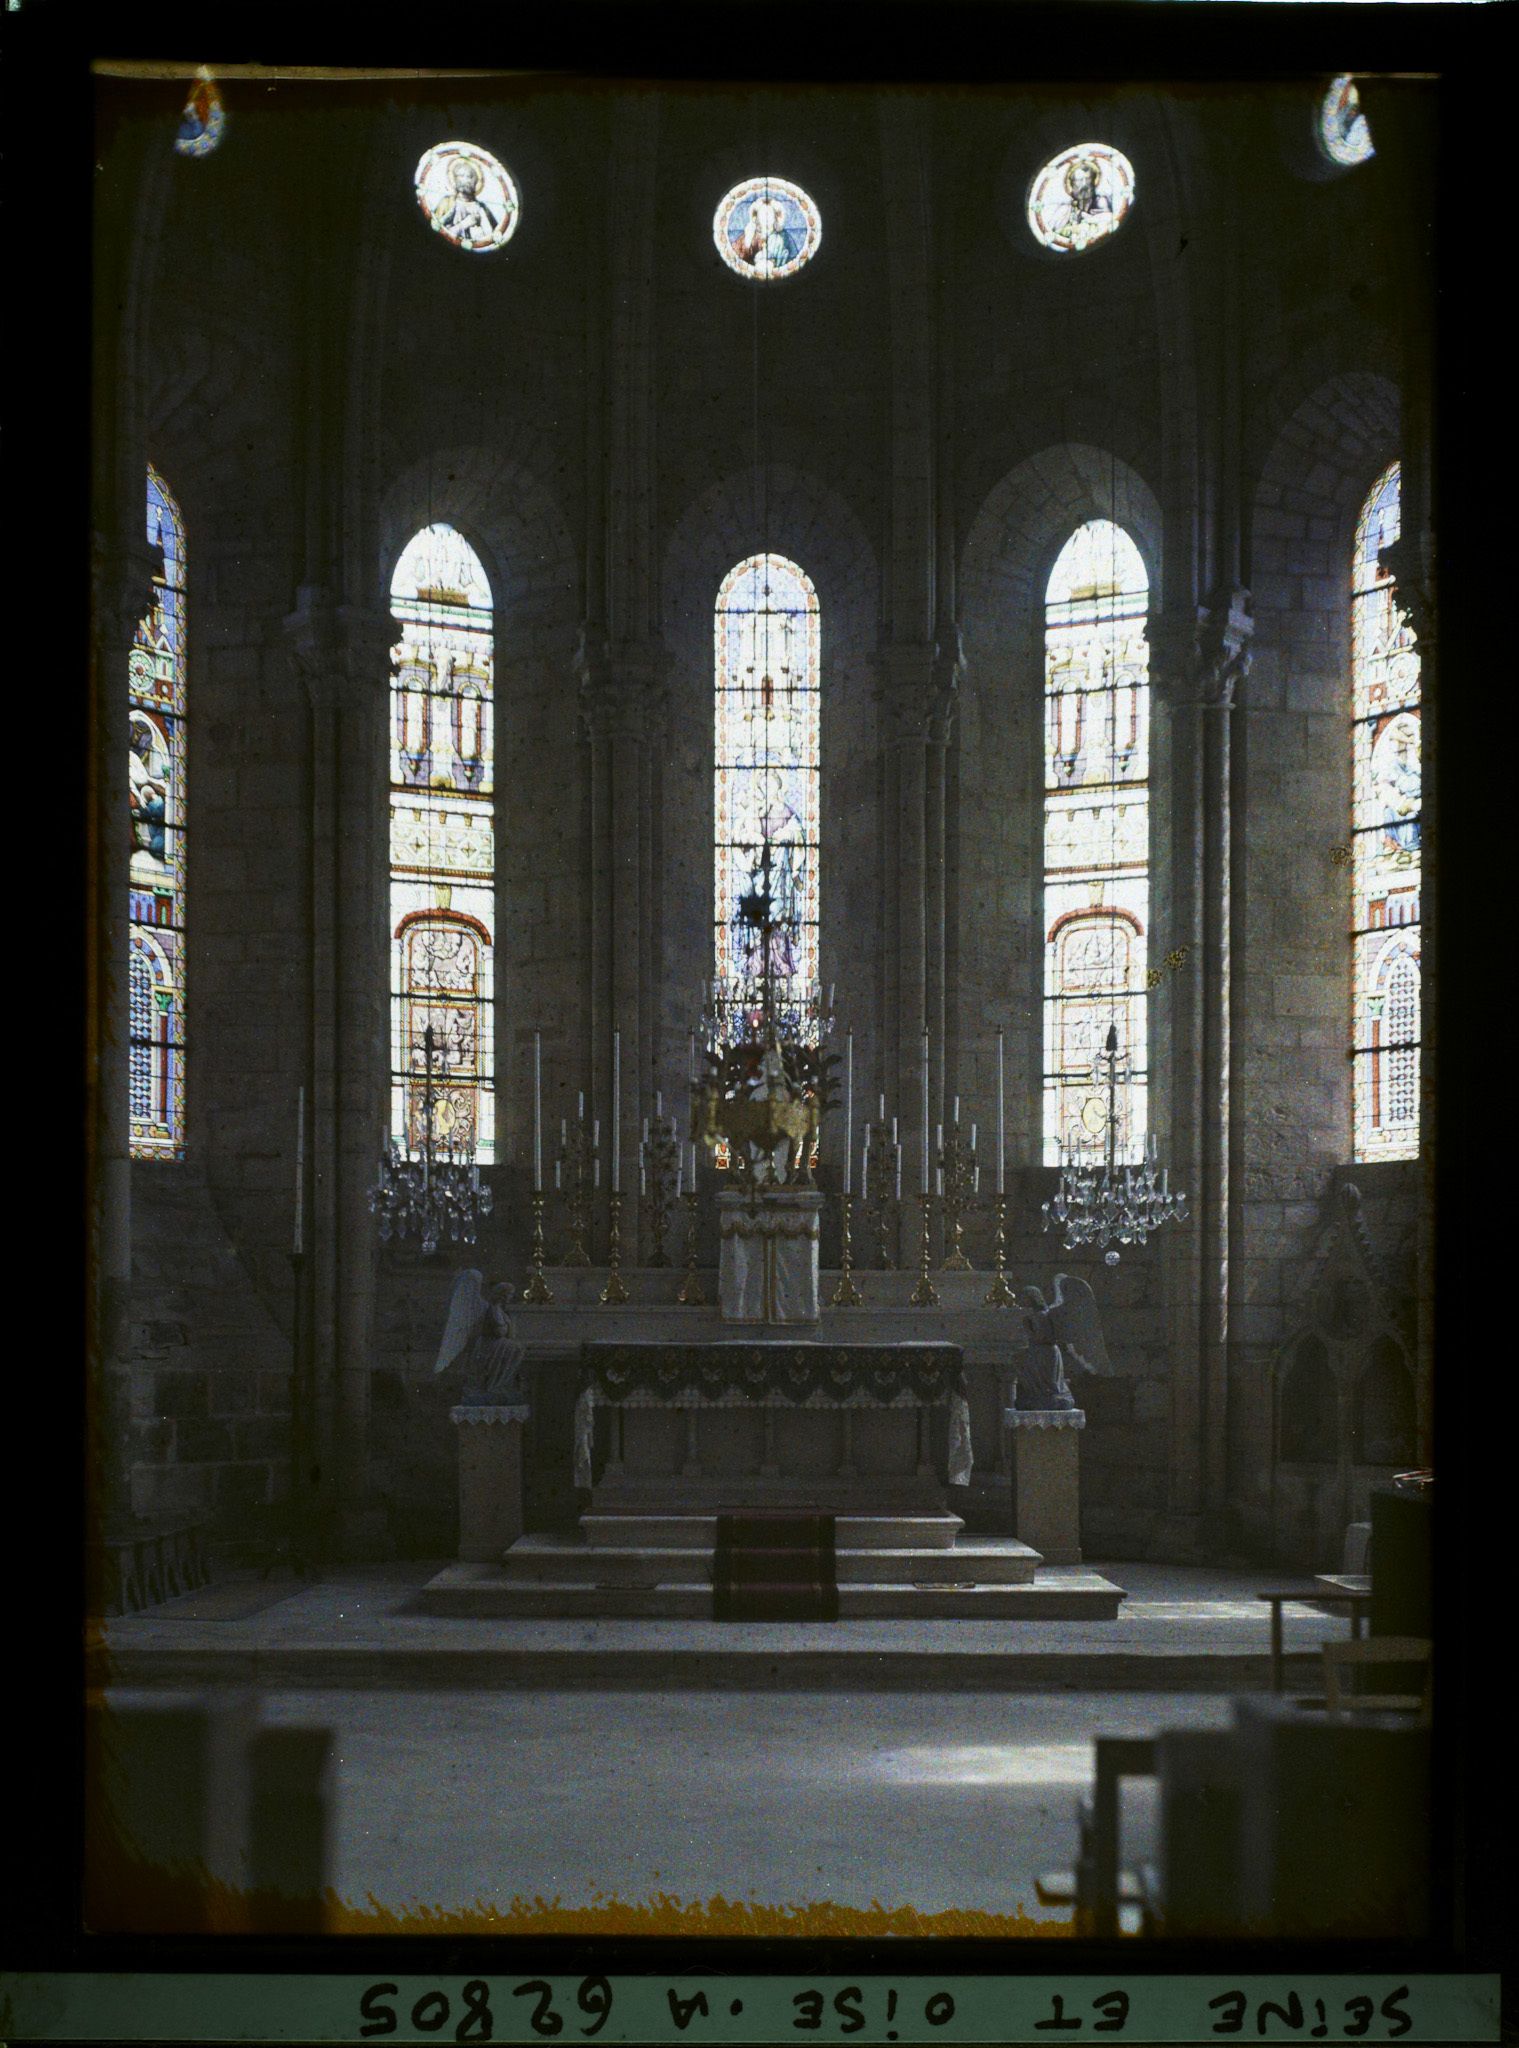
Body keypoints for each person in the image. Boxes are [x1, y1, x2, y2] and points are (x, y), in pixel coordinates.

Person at [435, 155, 500, 249]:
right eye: (461, 176)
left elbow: (493, 238)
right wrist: (464, 224)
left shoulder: (483, 208)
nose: (465, 180)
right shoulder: (446, 203)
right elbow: (438, 230)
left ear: (476, 181)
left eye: (469, 176)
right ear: (454, 179)